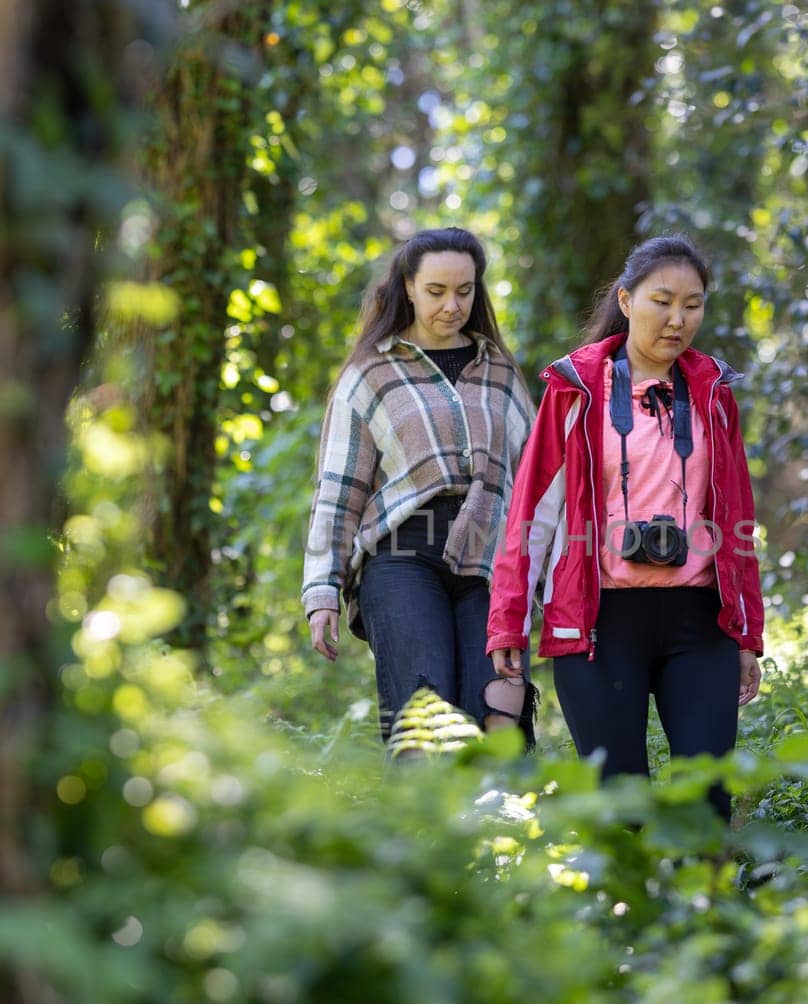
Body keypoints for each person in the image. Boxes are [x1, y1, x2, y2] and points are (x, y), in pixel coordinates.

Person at [487, 235, 764, 820]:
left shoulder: (713, 394)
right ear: (625, 299)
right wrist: (508, 622)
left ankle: (704, 909)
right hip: (600, 622)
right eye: (661, 301)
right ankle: (629, 912)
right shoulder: (577, 391)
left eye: (693, 304)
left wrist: (746, 633)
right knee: (620, 806)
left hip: (700, 620)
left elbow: (738, 520)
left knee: (707, 795)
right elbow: (531, 515)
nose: (677, 319)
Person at [303, 227, 536, 745]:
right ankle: (425, 826)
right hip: (401, 557)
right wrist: (323, 590)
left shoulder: (500, 371)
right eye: (436, 291)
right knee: (424, 709)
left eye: (464, 290)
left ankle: (500, 825)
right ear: (408, 286)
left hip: (489, 564)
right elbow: (340, 489)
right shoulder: (371, 372)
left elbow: (535, 485)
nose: (452, 305)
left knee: (497, 707)